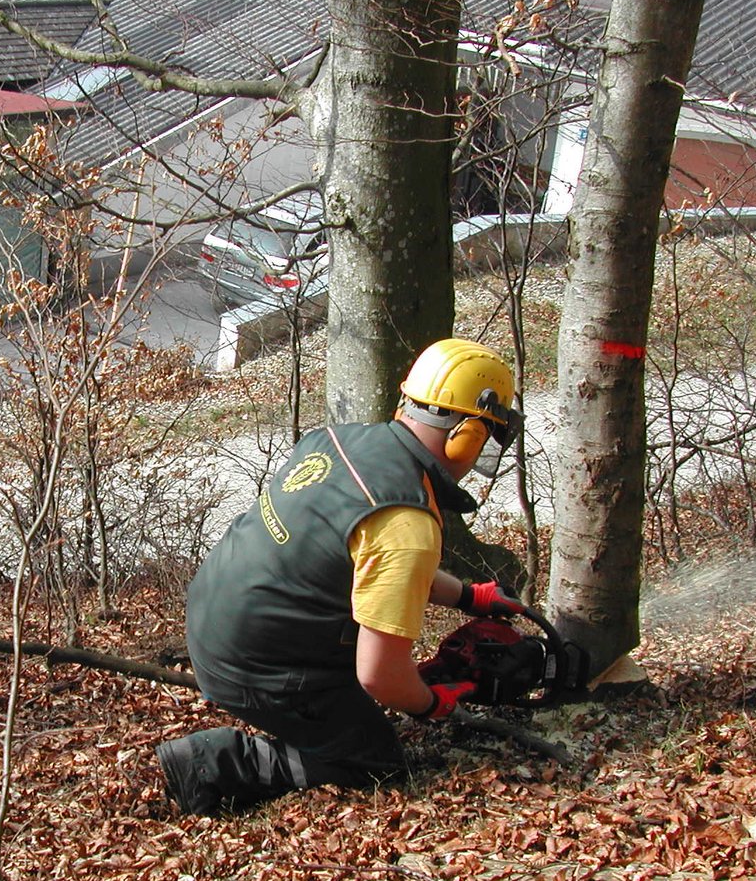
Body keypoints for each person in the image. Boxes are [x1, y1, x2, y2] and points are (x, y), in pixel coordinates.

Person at [156, 338, 527, 815]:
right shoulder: (407, 522)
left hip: (215, 612)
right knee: (373, 760)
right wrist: (432, 704)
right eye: (486, 437)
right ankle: (211, 762)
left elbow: (377, 564)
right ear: (468, 435)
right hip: (255, 662)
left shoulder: (339, 440)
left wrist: (470, 597)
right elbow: (380, 676)